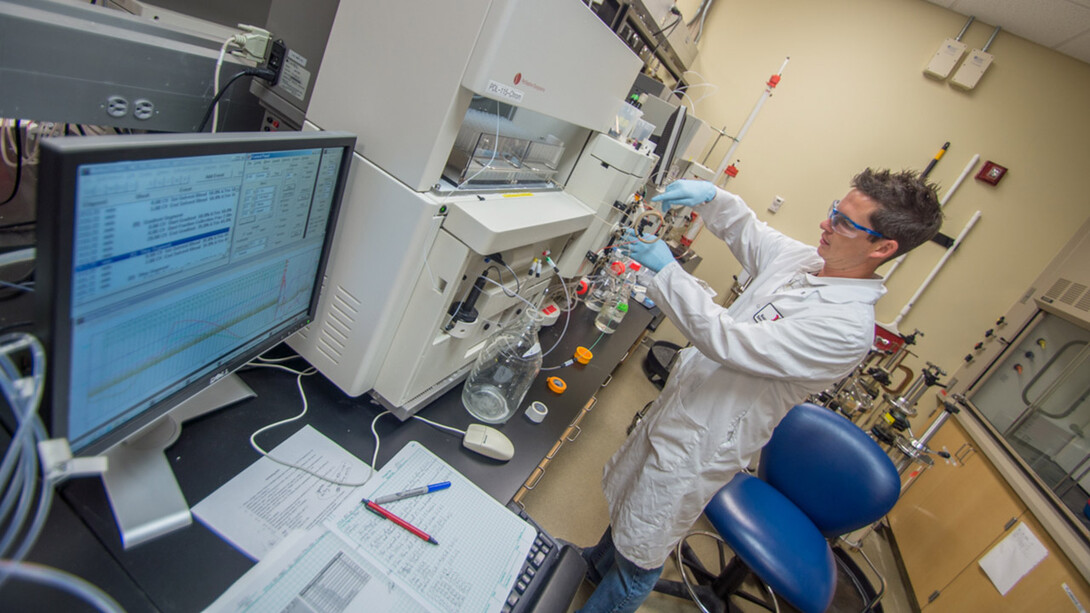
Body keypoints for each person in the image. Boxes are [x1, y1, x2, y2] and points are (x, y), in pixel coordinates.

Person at [574, 170, 942, 613]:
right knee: (631, 503)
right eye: (833, 212)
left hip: (702, 442)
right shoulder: (809, 263)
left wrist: (669, 272)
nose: (826, 224)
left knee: (642, 553)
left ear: (882, 248)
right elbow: (751, 232)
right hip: (683, 406)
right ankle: (587, 570)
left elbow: (729, 341)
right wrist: (711, 196)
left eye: (844, 222)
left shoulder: (845, 328)